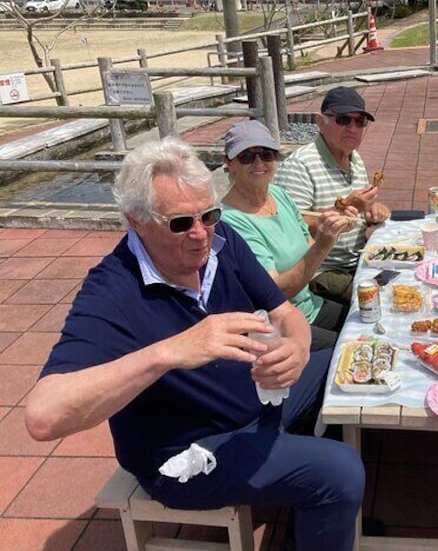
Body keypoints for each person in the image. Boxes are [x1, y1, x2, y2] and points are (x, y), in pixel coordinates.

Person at [24, 138, 364, 551]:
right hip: (190, 452)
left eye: (209, 215)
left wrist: (296, 348)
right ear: (135, 220)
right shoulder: (112, 290)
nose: (201, 234)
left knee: (341, 364)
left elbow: (285, 312)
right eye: (181, 223)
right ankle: (319, 495)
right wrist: (170, 352)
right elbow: (44, 417)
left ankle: (312, 512)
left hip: (254, 405)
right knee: (342, 472)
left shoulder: (222, 241)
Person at [221, 120, 357, 351]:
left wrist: (332, 226)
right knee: (353, 350)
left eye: (266, 154)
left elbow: (307, 245)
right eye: (246, 156)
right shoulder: (231, 221)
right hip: (280, 326)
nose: (259, 162)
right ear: (228, 164)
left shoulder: (278, 194)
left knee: (370, 317)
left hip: (309, 305)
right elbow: (274, 292)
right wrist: (324, 243)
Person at [275, 86, 392, 304]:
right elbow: (291, 227)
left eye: (360, 122)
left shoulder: (353, 157)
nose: (353, 128)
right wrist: (352, 206)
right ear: (321, 122)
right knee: (378, 300)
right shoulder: (300, 166)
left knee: (404, 280)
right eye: (343, 119)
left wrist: (374, 209)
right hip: (322, 268)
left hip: (360, 258)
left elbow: (360, 211)